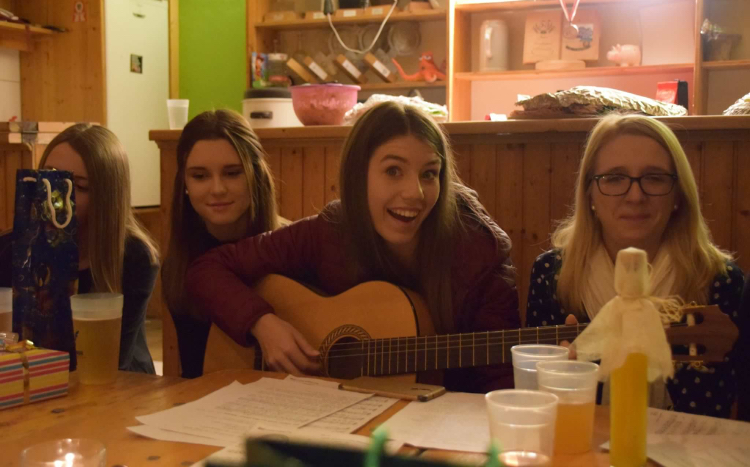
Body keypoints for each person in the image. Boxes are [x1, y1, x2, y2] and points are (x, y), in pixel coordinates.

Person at [185, 102, 520, 393]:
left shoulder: (481, 253)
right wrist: (263, 324)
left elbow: (500, 382)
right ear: (359, 176)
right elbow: (208, 269)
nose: (415, 193)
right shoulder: (331, 230)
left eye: (429, 174)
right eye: (393, 171)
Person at [526, 114, 745, 418]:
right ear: (590, 193)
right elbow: (537, 405)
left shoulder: (720, 280)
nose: (635, 196)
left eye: (654, 178)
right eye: (615, 178)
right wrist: (560, 379)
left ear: (678, 194)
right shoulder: (552, 274)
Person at [0, 124, 159, 374]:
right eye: (49, 177)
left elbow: (116, 361)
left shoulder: (135, 256)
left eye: (79, 187)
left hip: (119, 383)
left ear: (106, 197)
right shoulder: (10, 249)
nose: (56, 196)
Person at [161, 109, 285, 378]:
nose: (217, 189)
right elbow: (194, 371)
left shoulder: (290, 245)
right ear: (184, 183)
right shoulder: (178, 265)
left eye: (232, 173)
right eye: (200, 176)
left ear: (255, 176)